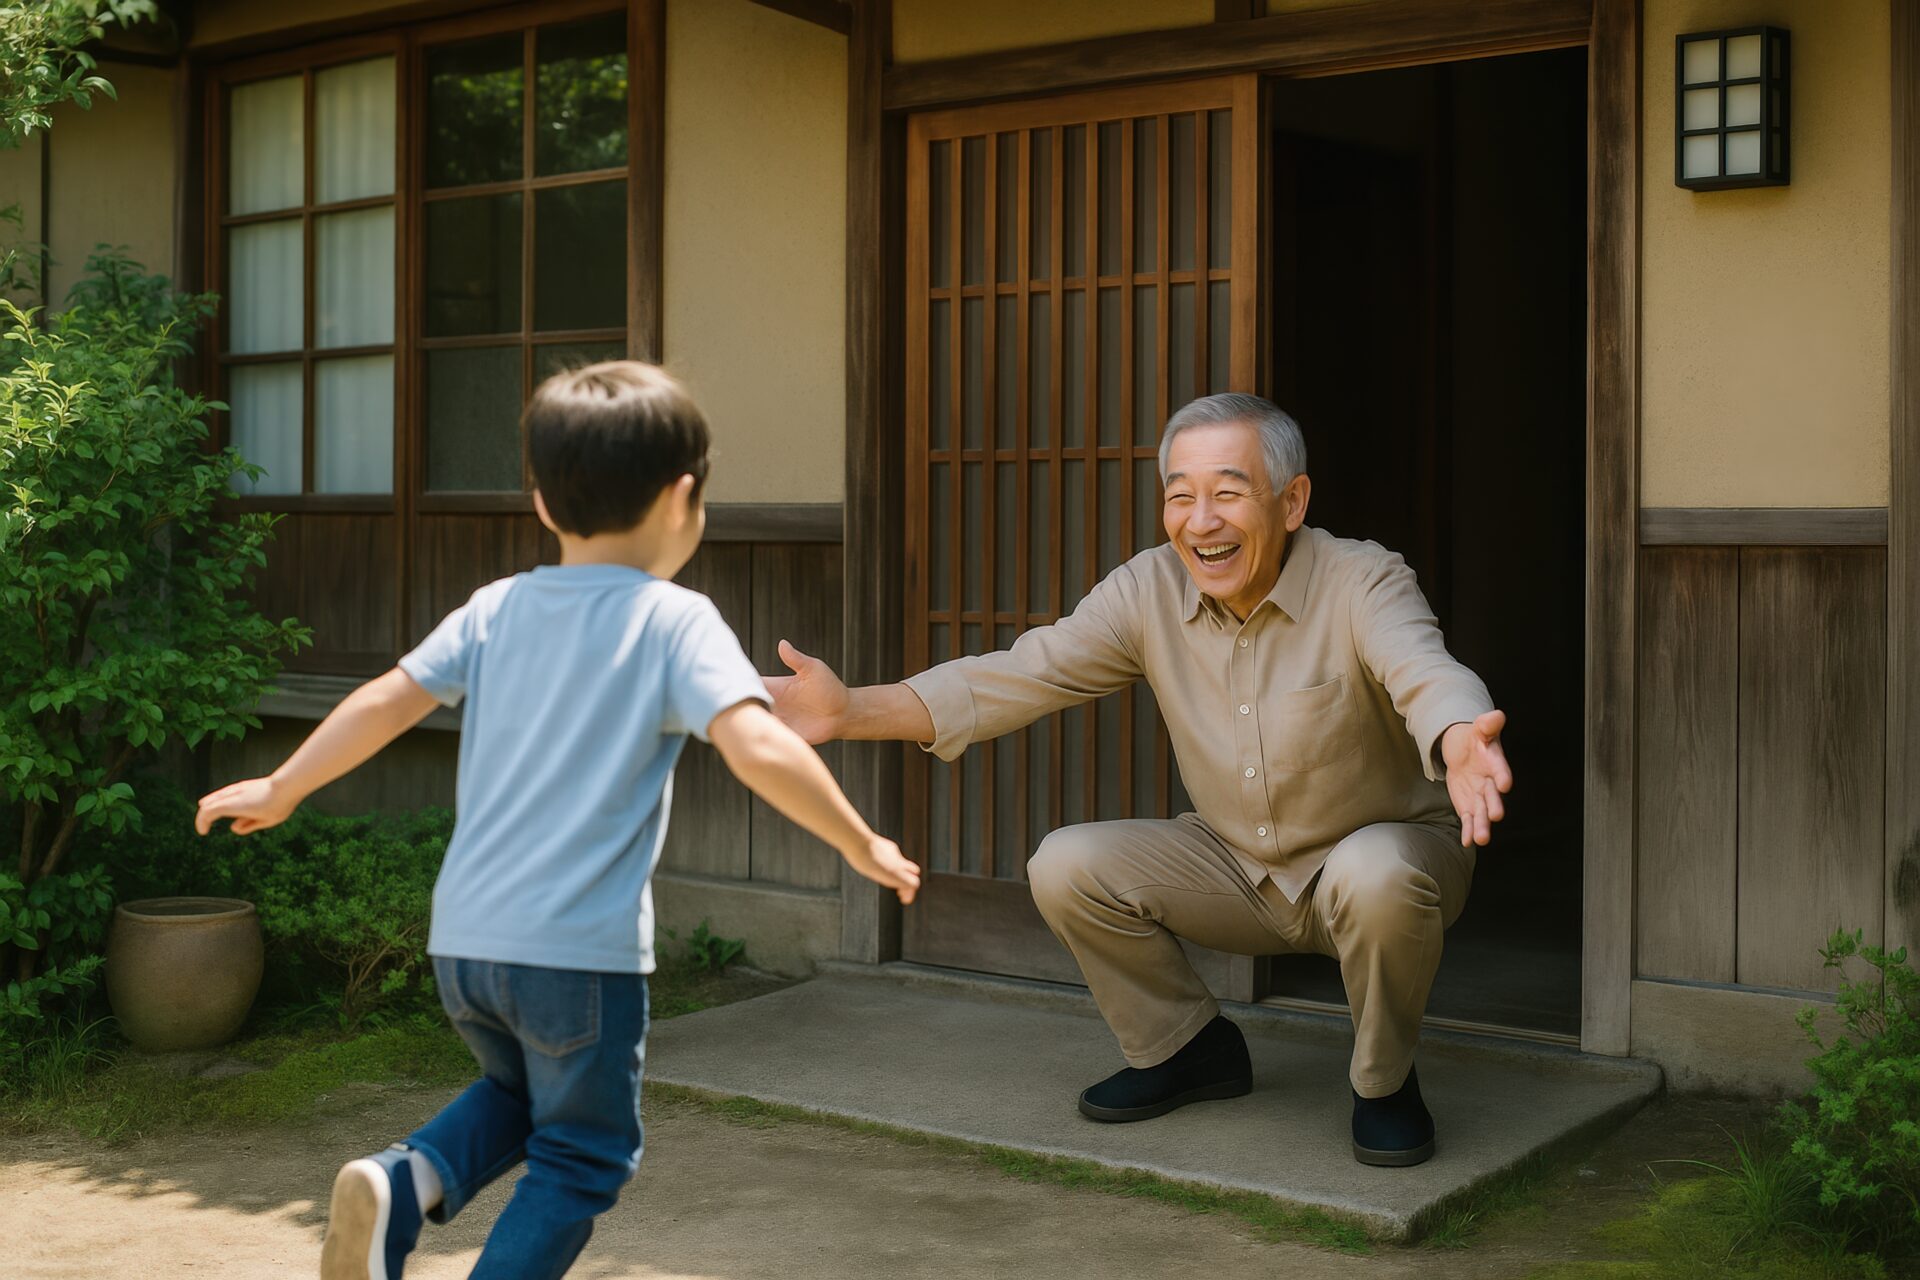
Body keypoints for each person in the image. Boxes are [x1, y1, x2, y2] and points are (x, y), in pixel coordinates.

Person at [195, 362, 920, 1279]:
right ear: (683, 498)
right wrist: (861, 839)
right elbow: (759, 747)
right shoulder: (676, 621)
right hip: (579, 958)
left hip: (465, 945)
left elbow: (385, 700)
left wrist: (283, 786)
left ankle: (405, 1180)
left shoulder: (497, 607)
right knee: (584, 1158)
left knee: (519, 1091)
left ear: (541, 503)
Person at [766, 392, 1510, 1168]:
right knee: (1066, 863)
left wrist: (1458, 735)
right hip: (1239, 865)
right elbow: (1021, 673)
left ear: (1292, 502)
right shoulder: (1148, 589)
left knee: (1374, 871)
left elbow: (1422, 668)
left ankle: (1384, 1084)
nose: (1201, 519)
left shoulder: (1363, 578)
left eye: (1227, 492)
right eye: (1180, 496)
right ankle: (1188, 1048)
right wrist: (849, 710)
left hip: (1385, 860)